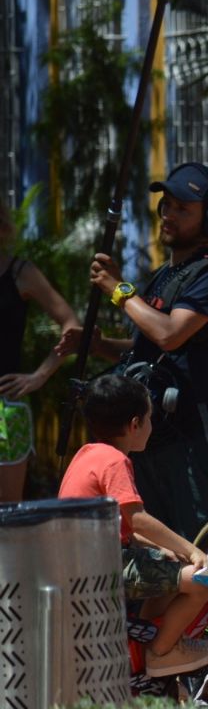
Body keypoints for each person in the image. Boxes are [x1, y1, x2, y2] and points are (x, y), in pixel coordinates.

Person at [60, 163, 208, 539]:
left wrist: (118, 289)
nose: (168, 215)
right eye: (167, 205)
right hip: (150, 435)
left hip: (194, 439)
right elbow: (147, 351)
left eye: (182, 209)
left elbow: (169, 335)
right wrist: (96, 344)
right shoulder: (167, 273)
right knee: (153, 548)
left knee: (201, 542)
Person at [58, 374, 208, 675]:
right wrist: (193, 550)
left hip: (78, 561)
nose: (151, 427)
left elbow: (122, 528)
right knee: (201, 584)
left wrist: (164, 548)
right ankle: (162, 652)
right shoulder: (115, 461)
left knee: (169, 568)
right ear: (134, 425)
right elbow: (138, 520)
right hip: (102, 566)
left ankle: (142, 648)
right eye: (149, 419)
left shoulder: (86, 454)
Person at [0, 203, 81, 501]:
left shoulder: (20, 272)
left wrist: (40, 376)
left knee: (6, 516)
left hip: (5, 407)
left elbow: (71, 324)